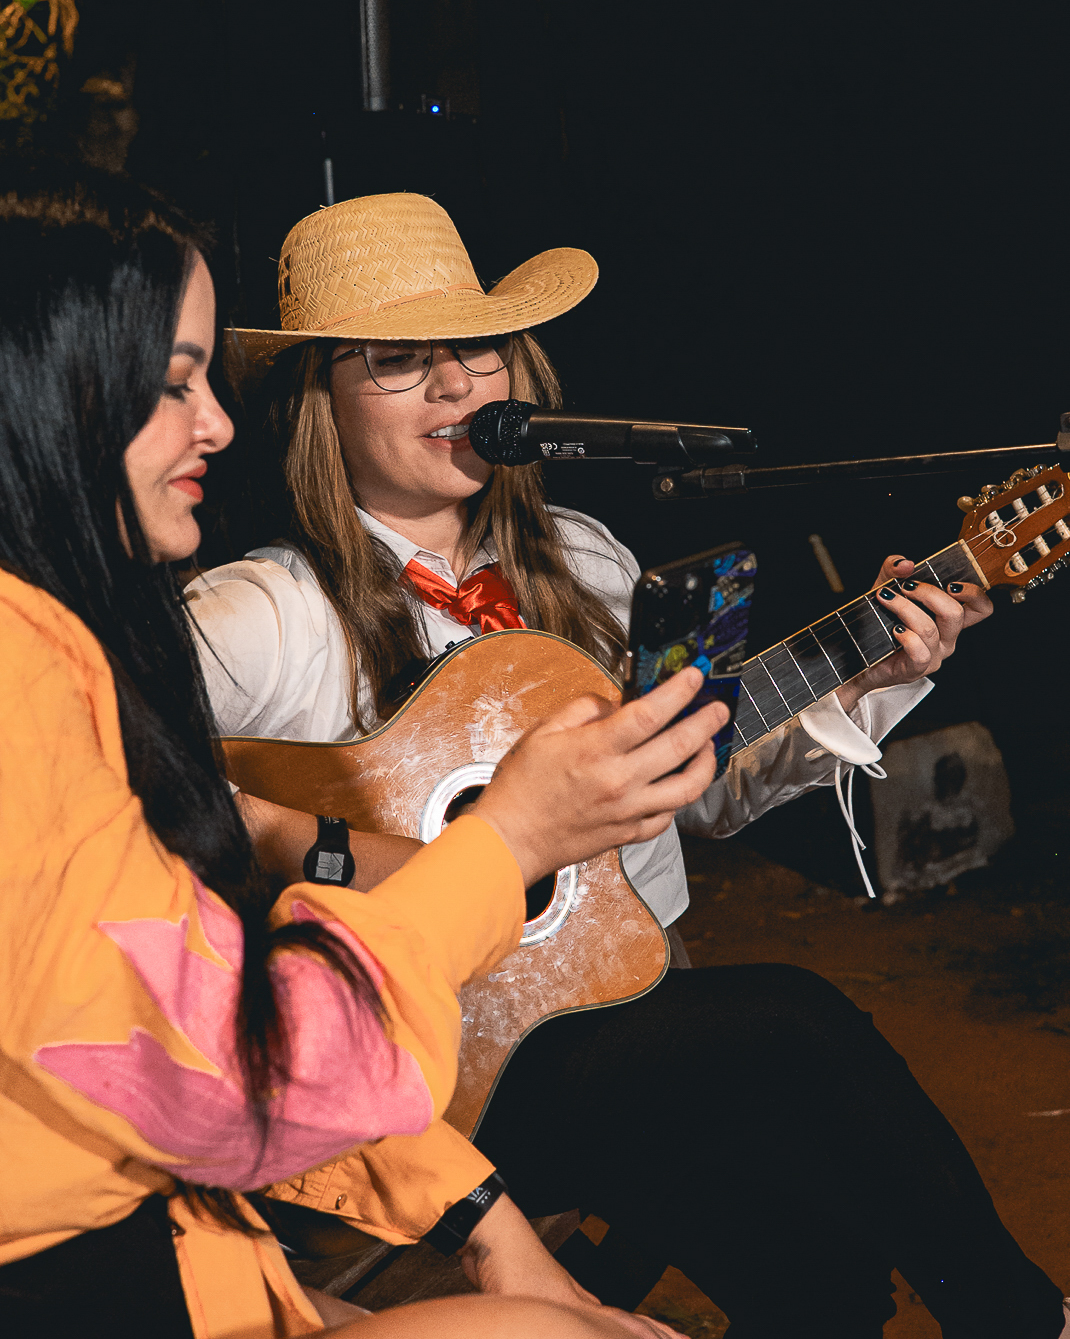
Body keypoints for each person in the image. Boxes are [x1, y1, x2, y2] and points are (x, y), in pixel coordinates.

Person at [187, 192, 1068, 1338]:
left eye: (476, 350)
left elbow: (702, 796)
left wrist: (865, 675)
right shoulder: (259, 616)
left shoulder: (590, 566)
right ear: (322, 401)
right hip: (430, 1070)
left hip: (629, 1022)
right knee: (792, 1023)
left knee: (825, 1288)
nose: (454, 385)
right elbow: (107, 773)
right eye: (399, 361)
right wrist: (334, 849)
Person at [0, 166, 725, 1339]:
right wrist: (501, 841)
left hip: (199, 1238)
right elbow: (247, 1073)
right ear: (53, 388)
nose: (215, 423)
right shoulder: (143, 643)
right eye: (173, 382)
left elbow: (192, 1023)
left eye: (474, 348)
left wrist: (482, 1223)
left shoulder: (584, 558)